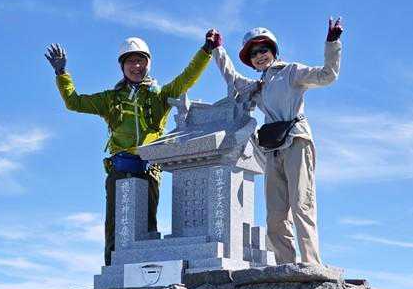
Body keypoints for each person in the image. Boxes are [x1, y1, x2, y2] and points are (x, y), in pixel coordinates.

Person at [45, 33, 217, 265]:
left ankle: (146, 273)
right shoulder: (111, 99)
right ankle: (113, 271)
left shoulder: (159, 96)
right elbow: (74, 102)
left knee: (147, 226)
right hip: (120, 169)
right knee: (116, 226)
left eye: (140, 61)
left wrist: (205, 51)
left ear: (148, 63)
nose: (136, 66)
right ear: (122, 66)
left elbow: (186, 78)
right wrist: (61, 73)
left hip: (149, 169)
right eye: (130, 61)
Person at [207, 19, 343, 265]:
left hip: (296, 140)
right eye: (253, 53)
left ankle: (311, 264)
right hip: (272, 149)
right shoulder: (257, 86)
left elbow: (327, 75)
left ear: (273, 50)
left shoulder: (291, 71)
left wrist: (332, 43)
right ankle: (285, 266)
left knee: (302, 205)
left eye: (263, 49)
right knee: (275, 215)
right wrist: (218, 50)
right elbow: (232, 78)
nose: (259, 56)